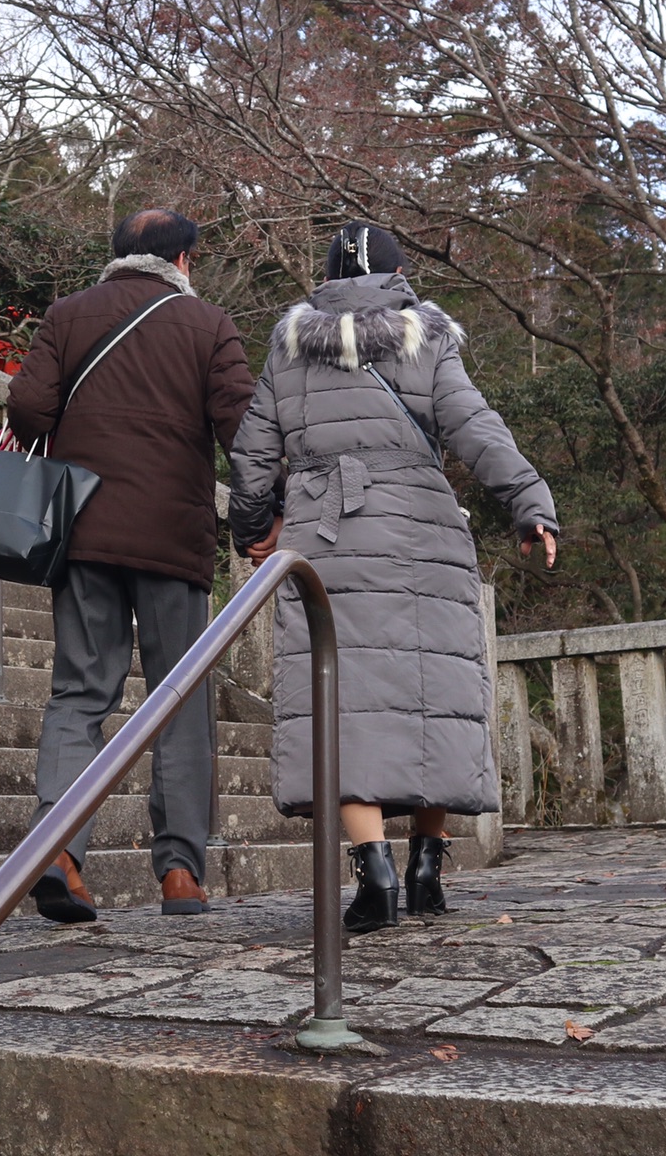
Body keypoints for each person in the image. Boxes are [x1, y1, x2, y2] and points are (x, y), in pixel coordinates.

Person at [227, 223, 558, 930]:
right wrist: (530, 503)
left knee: (342, 703)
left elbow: (252, 450)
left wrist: (256, 528)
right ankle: (429, 867)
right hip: (423, 531)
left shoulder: (289, 351)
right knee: (430, 697)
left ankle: (372, 869)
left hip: (327, 536)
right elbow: (475, 425)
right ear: (401, 273)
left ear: (326, 278)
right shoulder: (425, 337)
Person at [7, 209, 256, 922]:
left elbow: (28, 408)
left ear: (117, 257)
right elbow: (243, 428)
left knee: (81, 693)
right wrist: (260, 512)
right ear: (184, 259)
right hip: (174, 541)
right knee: (178, 702)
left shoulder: (68, 313)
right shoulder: (209, 324)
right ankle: (180, 874)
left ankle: (58, 851)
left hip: (84, 532)